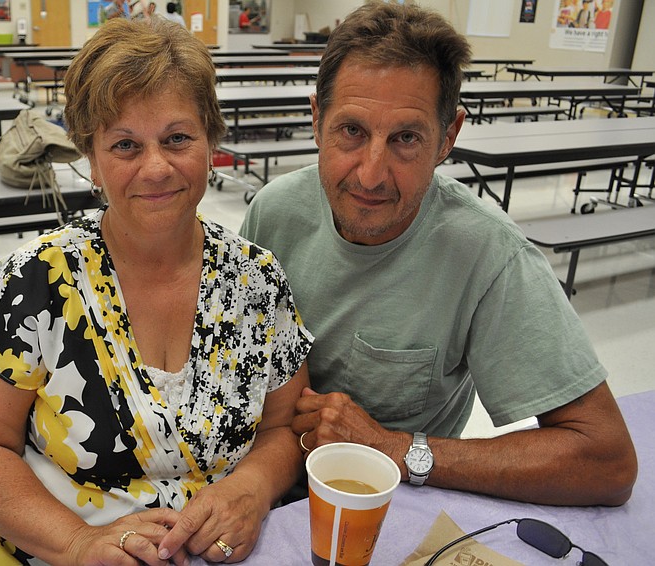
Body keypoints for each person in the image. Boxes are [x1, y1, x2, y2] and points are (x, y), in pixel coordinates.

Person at [0, 17, 313, 565]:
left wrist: (250, 486)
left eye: (177, 138)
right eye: (126, 145)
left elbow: (282, 426)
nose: (156, 167)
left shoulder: (257, 282)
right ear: (92, 160)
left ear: (211, 140)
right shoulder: (34, 284)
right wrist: (76, 542)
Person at [239, 1, 637, 507]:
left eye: (406, 138)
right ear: (317, 119)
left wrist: (396, 449)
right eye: (352, 131)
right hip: (262, 490)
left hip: (390, 506)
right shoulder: (274, 214)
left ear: (448, 137)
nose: (371, 174)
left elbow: (607, 460)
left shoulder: (487, 256)